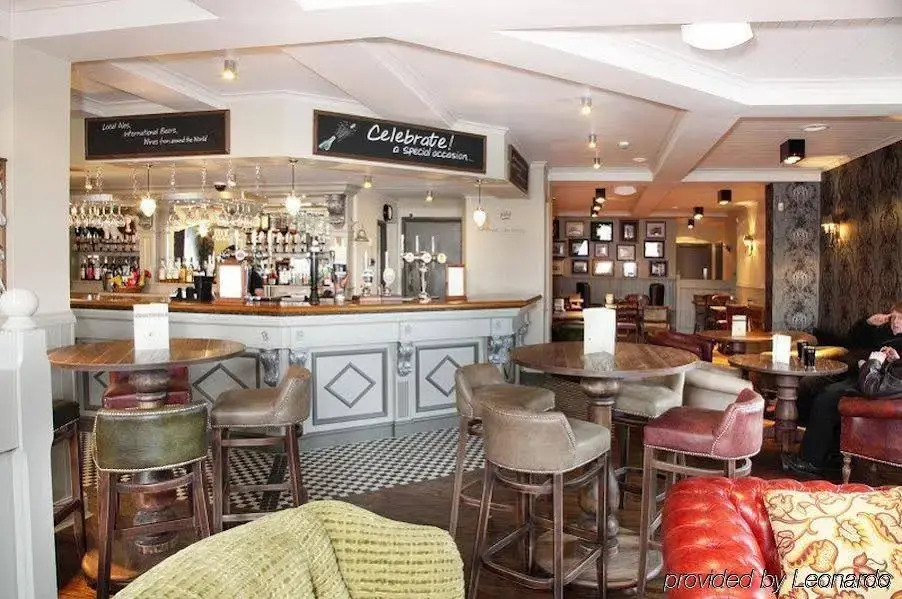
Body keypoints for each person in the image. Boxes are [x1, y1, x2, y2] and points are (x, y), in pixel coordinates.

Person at [787, 302, 902, 477]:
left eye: (900, 319)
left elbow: (888, 380)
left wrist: (883, 362)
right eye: (894, 317)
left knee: (826, 398)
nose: (895, 322)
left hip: (872, 383)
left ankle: (812, 461)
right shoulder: (883, 331)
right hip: (854, 372)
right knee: (810, 384)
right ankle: (825, 449)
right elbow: (851, 341)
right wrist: (867, 323)